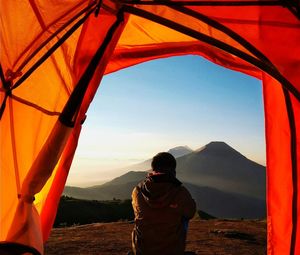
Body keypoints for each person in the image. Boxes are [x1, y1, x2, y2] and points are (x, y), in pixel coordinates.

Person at [131, 152, 196, 255]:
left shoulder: (138, 190)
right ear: (173, 170)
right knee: (184, 217)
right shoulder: (180, 192)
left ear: (153, 169)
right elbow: (191, 212)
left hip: (142, 250)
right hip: (171, 251)